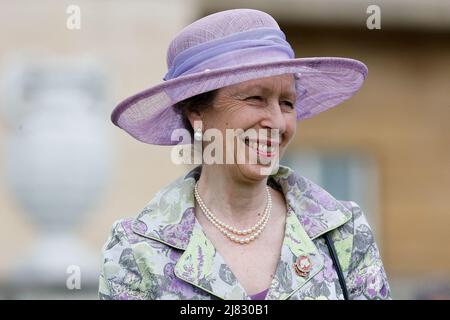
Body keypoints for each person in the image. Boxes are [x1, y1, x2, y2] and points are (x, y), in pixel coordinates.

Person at [99, 8, 391, 300]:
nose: (277, 122)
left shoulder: (343, 232)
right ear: (196, 113)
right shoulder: (138, 248)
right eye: (255, 98)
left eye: (287, 103)